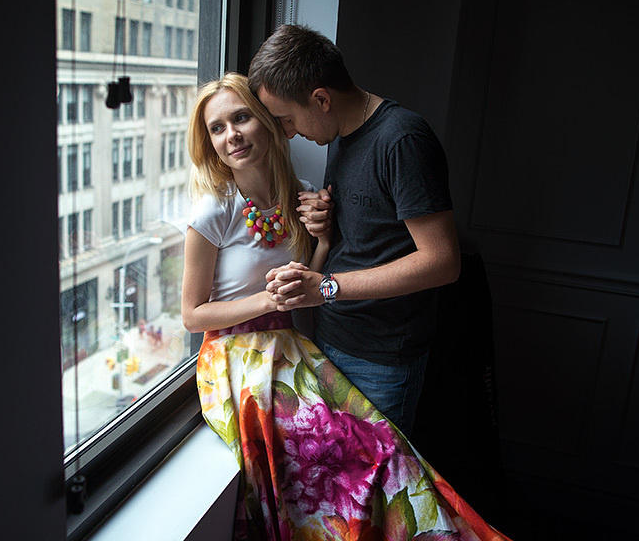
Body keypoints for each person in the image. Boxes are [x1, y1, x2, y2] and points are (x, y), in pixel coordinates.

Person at [184, 73, 509, 540]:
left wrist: (323, 239)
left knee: (384, 454)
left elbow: (309, 280)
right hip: (236, 358)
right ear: (209, 143)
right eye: (217, 128)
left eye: (241, 119)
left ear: (267, 123)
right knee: (329, 463)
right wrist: (265, 299)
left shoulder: (301, 192)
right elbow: (192, 315)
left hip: (289, 347)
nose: (231, 134)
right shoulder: (213, 211)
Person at [248, 24, 461, 438]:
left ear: (322, 99)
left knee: (374, 494)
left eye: (287, 119)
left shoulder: (402, 140)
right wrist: (325, 221)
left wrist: (325, 287)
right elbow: (373, 234)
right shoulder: (341, 136)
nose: (289, 132)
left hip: (382, 356)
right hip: (333, 339)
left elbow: (443, 262)